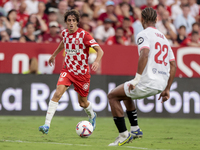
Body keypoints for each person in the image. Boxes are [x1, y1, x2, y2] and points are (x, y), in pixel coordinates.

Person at [107, 7, 176, 146]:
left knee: (112, 96)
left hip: (148, 82)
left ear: (141, 20)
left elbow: (144, 53)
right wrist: (167, 89)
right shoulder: (164, 39)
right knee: (126, 93)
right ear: (156, 20)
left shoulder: (143, 34)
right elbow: (173, 65)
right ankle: (135, 129)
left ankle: (123, 135)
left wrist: (137, 79)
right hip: (161, 84)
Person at [39, 9, 104, 134]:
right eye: (69, 20)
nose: (71, 23)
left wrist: (96, 61)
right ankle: (46, 125)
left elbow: (100, 50)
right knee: (57, 93)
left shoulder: (84, 35)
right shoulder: (64, 33)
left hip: (82, 74)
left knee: (82, 103)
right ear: (65, 22)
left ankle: (92, 115)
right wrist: (53, 55)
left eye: (74, 20)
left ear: (77, 22)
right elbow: (64, 43)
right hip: (68, 70)